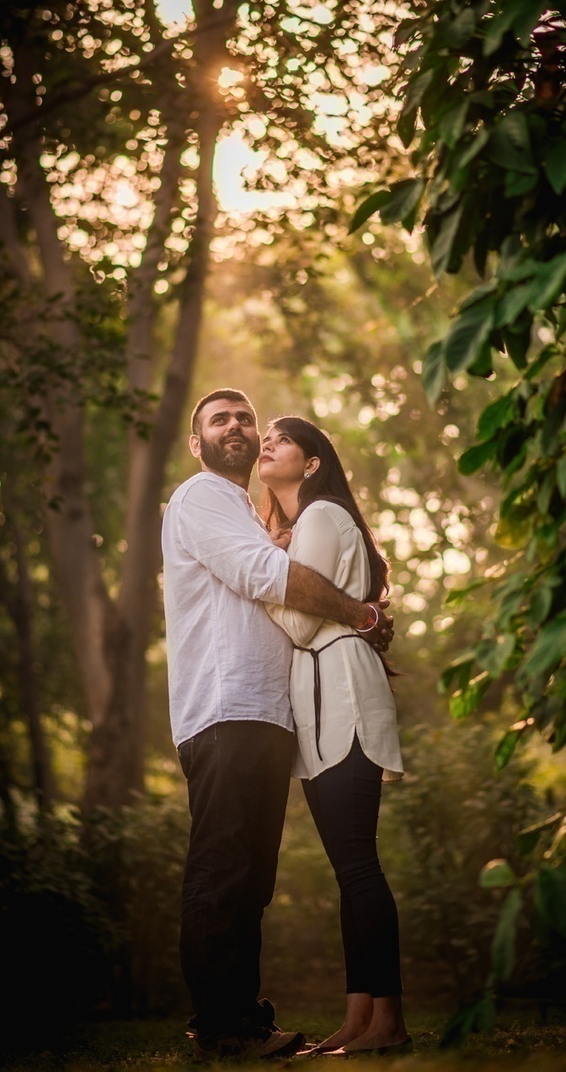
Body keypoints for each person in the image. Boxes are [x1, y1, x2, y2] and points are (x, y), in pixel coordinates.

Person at [161, 389, 394, 1063]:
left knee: (251, 879)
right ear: (197, 442)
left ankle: (242, 1016)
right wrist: (361, 613)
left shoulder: (241, 512)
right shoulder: (202, 496)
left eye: (245, 419)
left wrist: (282, 545)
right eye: (219, 420)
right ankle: (221, 1023)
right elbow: (263, 575)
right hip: (226, 708)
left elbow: (267, 562)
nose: (237, 428)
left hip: (266, 715)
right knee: (223, 868)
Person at [257, 415, 410, 1057]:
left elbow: (294, 624)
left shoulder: (321, 517)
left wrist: (266, 566)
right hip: (322, 695)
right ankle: (358, 1021)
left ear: (313, 462)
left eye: (283, 438)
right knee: (350, 870)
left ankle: (390, 1024)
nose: (268, 442)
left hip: (340, 690)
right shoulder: (308, 525)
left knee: (358, 865)